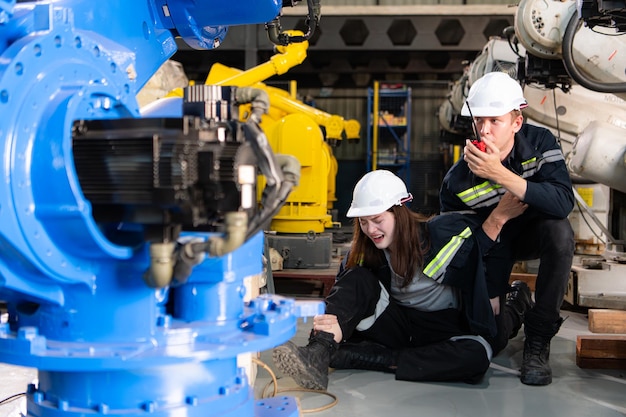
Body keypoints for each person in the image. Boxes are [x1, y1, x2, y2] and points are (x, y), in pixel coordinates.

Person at [272, 169, 530, 390]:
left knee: (480, 353)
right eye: (363, 222)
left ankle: (519, 299)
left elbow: (484, 246)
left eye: (377, 219)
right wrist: (333, 326)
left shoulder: (440, 234)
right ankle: (317, 354)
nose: (371, 230)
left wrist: (498, 222)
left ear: (399, 212)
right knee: (356, 276)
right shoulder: (364, 252)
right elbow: (347, 296)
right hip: (400, 324)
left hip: (448, 327)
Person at [439, 71, 575, 386]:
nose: (484, 131)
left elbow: (562, 201)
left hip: (532, 234)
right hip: (492, 247)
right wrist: (489, 286)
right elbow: (458, 249)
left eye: (495, 121)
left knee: (561, 234)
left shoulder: (540, 143)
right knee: (491, 338)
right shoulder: (457, 180)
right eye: (479, 121)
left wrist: (500, 174)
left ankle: (539, 338)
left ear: (516, 122)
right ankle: (517, 301)